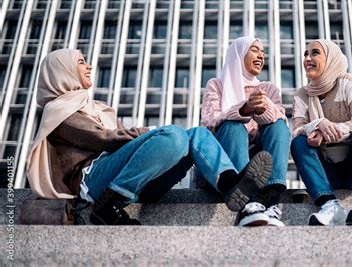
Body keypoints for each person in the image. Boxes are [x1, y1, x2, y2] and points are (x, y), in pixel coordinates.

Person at [26, 48, 273, 226]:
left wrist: (149, 138)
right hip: (94, 181)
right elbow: (104, 139)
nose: (89, 66)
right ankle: (107, 205)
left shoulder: (96, 106)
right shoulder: (59, 110)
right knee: (174, 136)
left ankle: (232, 185)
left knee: (197, 134)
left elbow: (123, 142)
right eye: (81, 62)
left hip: (135, 179)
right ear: (62, 71)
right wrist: (150, 133)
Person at [201, 36, 290, 227]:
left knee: (279, 125)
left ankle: (271, 201)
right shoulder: (217, 85)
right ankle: (247, 202)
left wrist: (263, 107)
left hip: (261, 159)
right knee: (233, 126)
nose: (261, 56)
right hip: (227, 162)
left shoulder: (268, 89)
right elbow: (209, 123)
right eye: (255, 50)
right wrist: (244, 110)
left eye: (263, 52)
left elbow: (280, 120)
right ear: (239, 54)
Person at [290, 39, 352, 226]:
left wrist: (331, 131)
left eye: (315, 53)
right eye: (306, 54)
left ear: (330, 58)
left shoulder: (347, 82)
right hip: (325, 171)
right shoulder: (302, 94)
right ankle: (329, 205)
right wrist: (317, 124)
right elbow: (296, 130)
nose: (308, 58)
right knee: (298, 142)